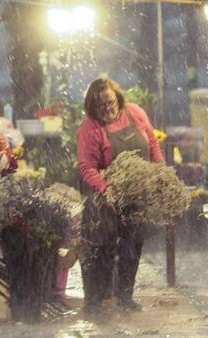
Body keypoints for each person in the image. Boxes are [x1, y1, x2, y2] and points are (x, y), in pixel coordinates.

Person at [76, 77, 162, 314]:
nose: (108, 109)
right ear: (92, 107)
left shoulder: (134, 113)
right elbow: (87, 167)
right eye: (101, 106)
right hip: (108, 199)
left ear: (118, 98)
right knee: (102, 248)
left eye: (111, 102)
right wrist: (107, 189)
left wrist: (159, 172)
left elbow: (152, 143)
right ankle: (95, 301)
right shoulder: (89, 129)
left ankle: (126, 297)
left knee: (133, 246)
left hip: (137, 194)